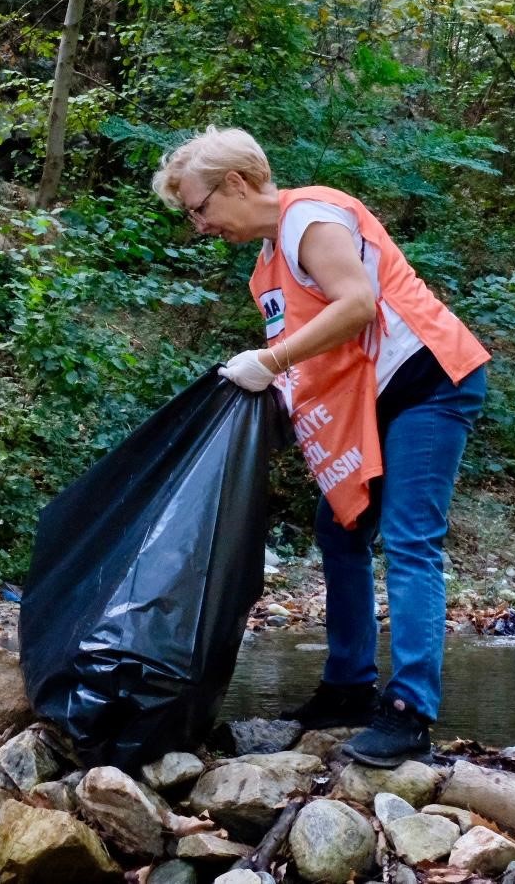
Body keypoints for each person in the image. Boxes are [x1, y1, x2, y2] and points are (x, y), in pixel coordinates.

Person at [152, 126, 489, 767]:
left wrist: (269, 357)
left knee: (410, 537)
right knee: (339, 530)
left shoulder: (310, 217)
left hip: (430, 381)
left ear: (237, 184)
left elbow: (358, 305)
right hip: (369, 397)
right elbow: (309, 364)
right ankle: (347, 689)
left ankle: (408, 712)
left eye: (199, 207)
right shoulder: (266, 267)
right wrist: (261, 383)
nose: (198, 225)